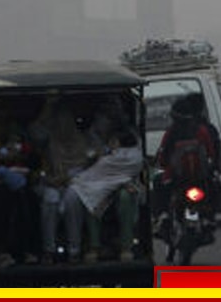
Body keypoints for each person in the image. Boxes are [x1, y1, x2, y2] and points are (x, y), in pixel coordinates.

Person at [28, 97, 96, 264]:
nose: (63, 124)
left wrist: (69, 178)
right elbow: (34, 131)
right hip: (50, 182)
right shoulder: (48, 140)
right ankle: (48, 250)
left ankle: (75, 249)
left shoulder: (85, 139)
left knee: (72, 198)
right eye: (59, 120)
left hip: (76, 184)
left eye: (67, 120)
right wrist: (48, 106)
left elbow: (93, 163)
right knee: (51, 198)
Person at [71, 128, 145, 262]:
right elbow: (96, 174)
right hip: (102, 188)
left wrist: (122, 182)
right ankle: (94, 246)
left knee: (125, 197)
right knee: (91, 198)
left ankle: (126, 247)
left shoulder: (133, 156)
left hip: (126, 188)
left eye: (113, 141)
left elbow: (127, 173)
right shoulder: (106, 155)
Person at [155, 94, 218, 241]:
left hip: (176, 179)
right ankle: (208, 217)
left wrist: (163, 165)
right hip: (201, 178)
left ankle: (163, 216)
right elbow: (211, 154)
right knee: (214, 186)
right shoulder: (202, 131)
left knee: (158, 183)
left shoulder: (171, 132)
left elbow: (163, 157)